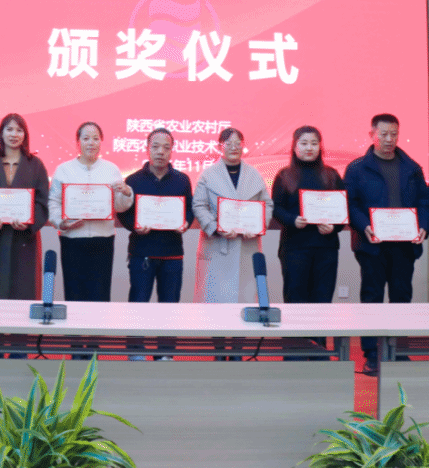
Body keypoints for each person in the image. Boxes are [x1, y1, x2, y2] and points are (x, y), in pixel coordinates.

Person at [344, 113, 429, 375]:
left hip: (404, 245)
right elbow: (350, 204)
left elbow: (424, 202)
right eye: (383, 134)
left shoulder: (412, 167)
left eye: (394, 134)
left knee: (401, 297)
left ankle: (398, 350)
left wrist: (423, 225)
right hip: (372, 244)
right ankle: (372, 354)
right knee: (372, 297)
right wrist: (365, 226)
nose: (389, 139)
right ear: (372, 135)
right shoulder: (357, 168)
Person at [117, 127, 194, 360]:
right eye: (156, 146)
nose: (161, 151)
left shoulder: (182, 180)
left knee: (169, 305)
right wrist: (135, 226)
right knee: (138, 303)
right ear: (147, 148)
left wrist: (185, 223)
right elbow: (124, 213)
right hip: (142, 252)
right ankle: (135, 352)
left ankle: (165, 353)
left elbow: (189, 209)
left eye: (166, 147)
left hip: (172, 253)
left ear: (172, 151)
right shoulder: (133, 180)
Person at [0, 113, 50, 302]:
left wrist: (29, 223)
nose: (14, 134)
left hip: (23, 239)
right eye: (9, 129)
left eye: (19, 130)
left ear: (25, 135)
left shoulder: (36, 165)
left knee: (22, 294)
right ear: (1, 133)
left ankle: (20, 324)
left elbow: (42, 201)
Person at [48, 122, 134, 303]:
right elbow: (53, 202)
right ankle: (74, 323)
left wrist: (126, 193)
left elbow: (119, 206)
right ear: (78, 142)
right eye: (86, 138)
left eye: (95, 138)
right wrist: (61, 222)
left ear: (101, 142)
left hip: (103, 240)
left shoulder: (111, 169)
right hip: (72, 239)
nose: (91, 143)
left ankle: (98, 323)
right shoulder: (64, 170)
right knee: (74, 291)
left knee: (100, 293)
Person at [193, 127, 273, 306]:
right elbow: (199, 205)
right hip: (217, 245)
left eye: (238, 143)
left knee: (245, 301)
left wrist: (258, 226)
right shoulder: (208, 174)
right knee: (215, 301)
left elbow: (267, 204)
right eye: (228, 143)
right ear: (219, 146)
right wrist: (215, 228)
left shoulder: (254, 174)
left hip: (247, 245)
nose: (234, 147)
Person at [270, 125, 344, 312]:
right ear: (295, 147)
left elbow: (343, 210)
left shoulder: (332, 175)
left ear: (320, 147)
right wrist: (292, 220)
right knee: (296, 301)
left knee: (322, 302)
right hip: (294, 247)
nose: (309, 148)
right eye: (304, 143)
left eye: (314, 143)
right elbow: (276, 208)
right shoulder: (284, 176)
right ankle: (296, 334)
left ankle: (319, 333)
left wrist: (334, 227)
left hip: (326, 248)